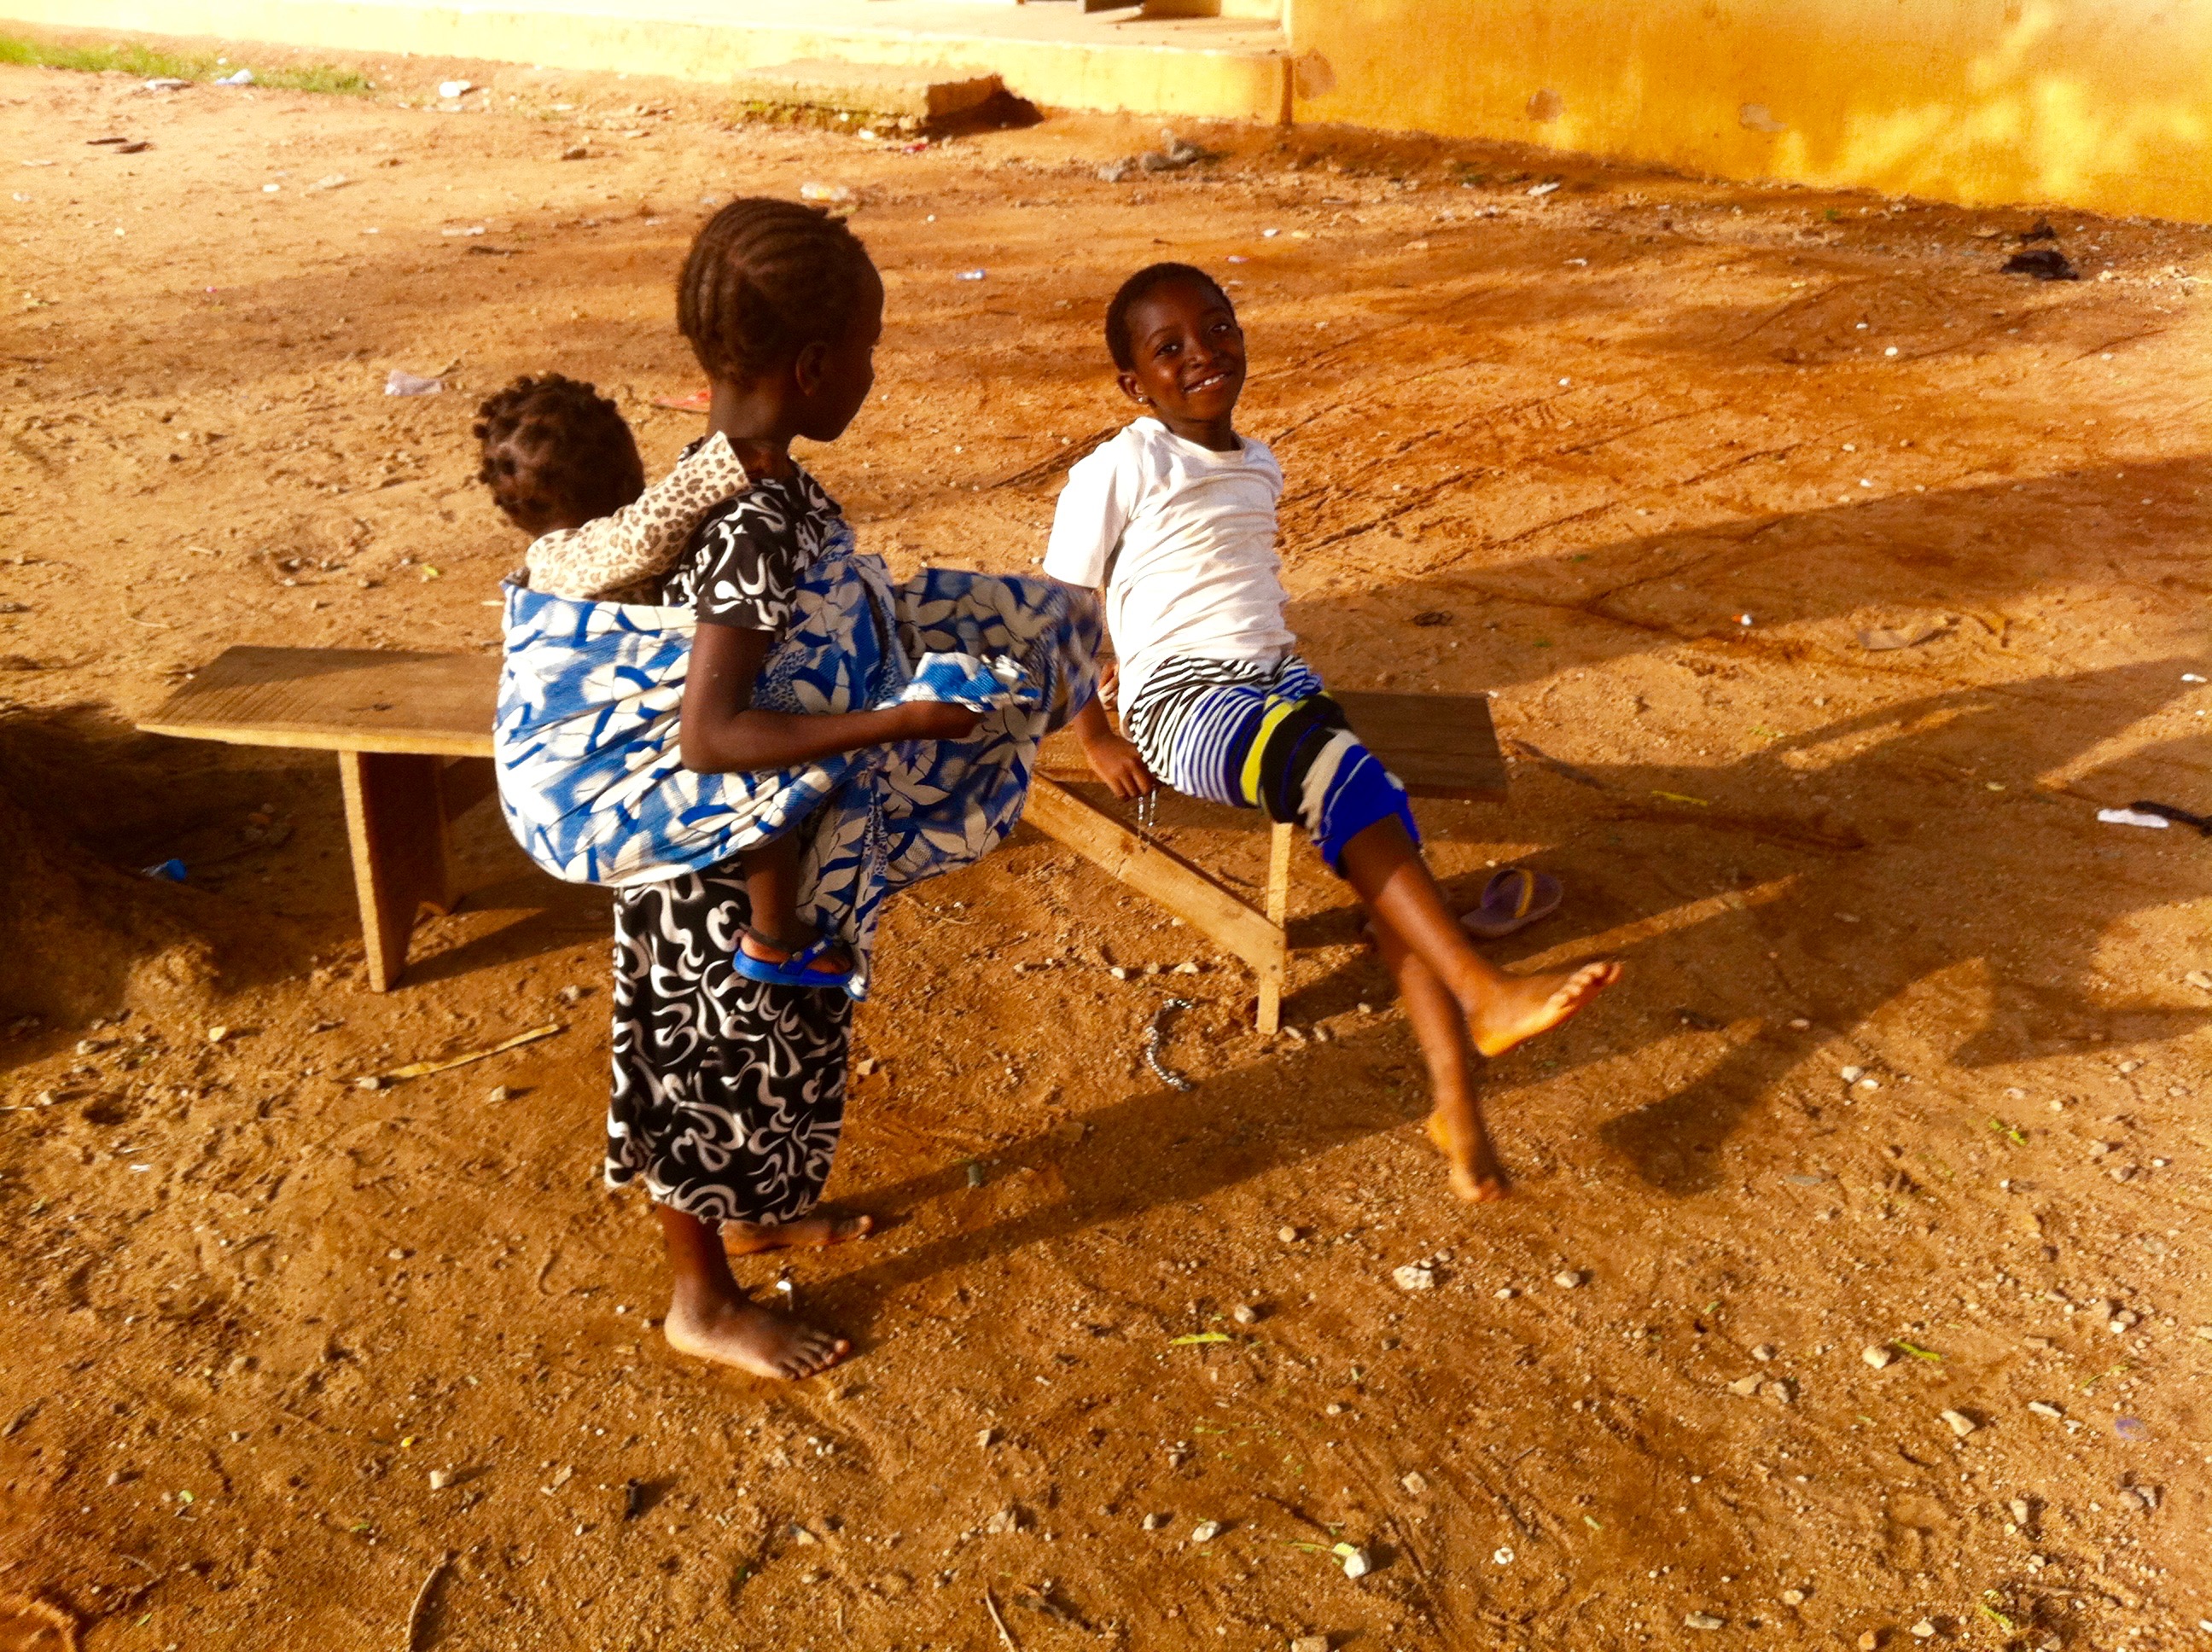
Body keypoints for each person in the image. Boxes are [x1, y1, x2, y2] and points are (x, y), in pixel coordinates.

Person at [585, 198, 1098, 1379]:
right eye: (868, 348)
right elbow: (712, 731)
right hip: (715, 868)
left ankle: (751, 1217)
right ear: (815, 366)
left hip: (749, 851)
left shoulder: (728, 481)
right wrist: (903, 720)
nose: (873, 369)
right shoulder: (756, 522)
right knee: (708, 1068)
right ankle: (700, 1299)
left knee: (766, 1063)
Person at [1044, 262, 1621, 1202]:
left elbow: (1199, 584)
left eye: (1218, 327)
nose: (1203, 354)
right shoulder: (1123, 464)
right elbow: (1060, 609)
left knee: (1385, 854)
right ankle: (1481, 991)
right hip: (1184, 709)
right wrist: (1096, 729)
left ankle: (1456, 1108)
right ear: (1133, 384)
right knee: (1343, 784)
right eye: (1169, 349)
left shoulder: (1258, 460)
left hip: (1277, 686)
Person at [475, 375, 853, 986]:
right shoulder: (573, 555)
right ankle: (774, 936)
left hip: (571, 782)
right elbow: (643, 532)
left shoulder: (557, 556)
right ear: (627, 480)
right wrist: (727, 465)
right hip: (567, 788)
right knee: (764, 774)